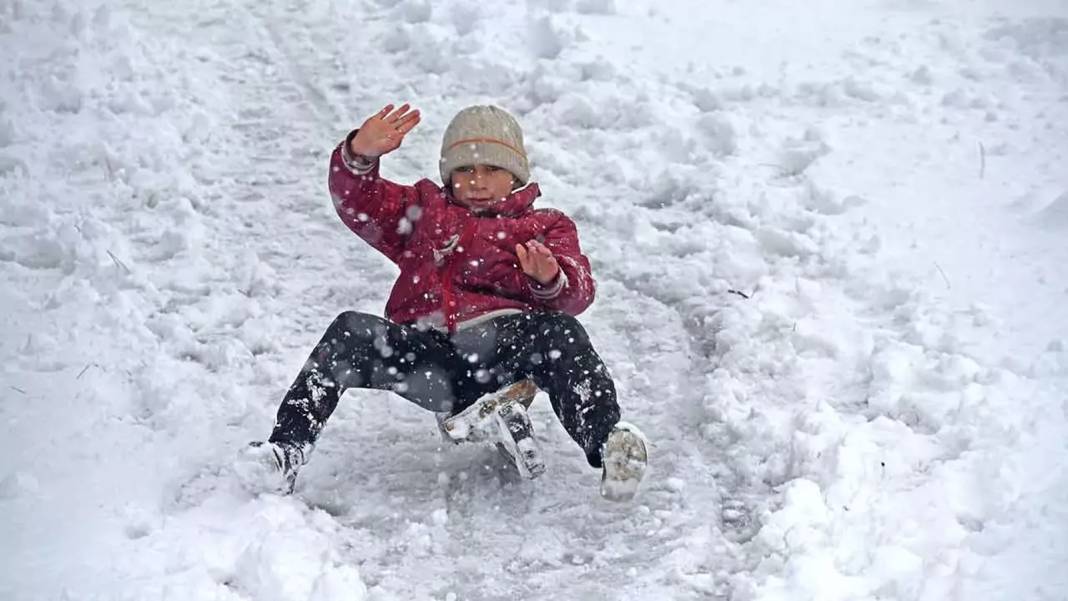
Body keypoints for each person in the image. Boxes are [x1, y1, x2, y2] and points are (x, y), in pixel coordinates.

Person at [238, 103, 647, 501]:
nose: (477, 180)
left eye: (492, 169)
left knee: (561, 332)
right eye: (465, 169)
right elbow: (360, 203)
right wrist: (358, 156)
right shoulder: (424, 212)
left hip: (506, 349)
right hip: (428, 356)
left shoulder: (544, 226)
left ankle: (609, 444)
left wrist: (550, 278)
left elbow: (577, 292)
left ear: (516, 175)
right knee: (349, 330)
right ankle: (284, 452)